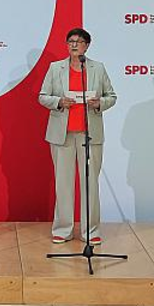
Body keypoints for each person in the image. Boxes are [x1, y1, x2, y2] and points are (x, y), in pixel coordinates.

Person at [38, 28, 117, 244]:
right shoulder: (56, 68)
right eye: (71, 41)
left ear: (87, 46)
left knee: (90, 183)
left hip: (89, 134)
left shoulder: (97, 68)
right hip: (62, 135)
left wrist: (99, 103)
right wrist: (59, 102)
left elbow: (111, 95)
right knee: (63, 184)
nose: (74, 45)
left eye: (79, 42)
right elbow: (42, 96)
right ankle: (63, 229)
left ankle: (90, 231)